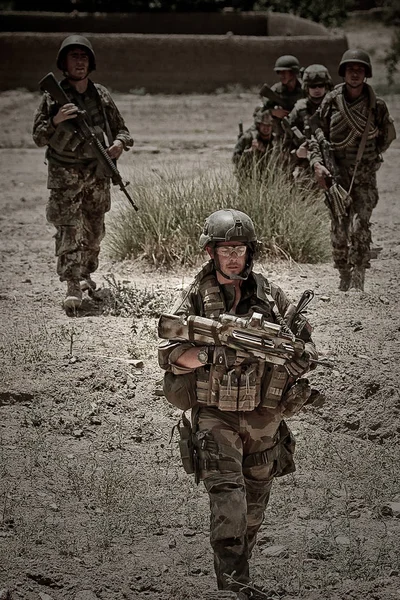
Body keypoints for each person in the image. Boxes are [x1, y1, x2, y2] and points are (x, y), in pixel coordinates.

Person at [158, 209, 318, 598]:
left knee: (253, 509)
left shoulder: (273, 298)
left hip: (264, 418)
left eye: (241, 249)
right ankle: (234, 586)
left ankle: (236, 573)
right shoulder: (196, 296)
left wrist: (299, 357)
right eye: (226, 248)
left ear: (251, 252)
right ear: (211, 252)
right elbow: (170, 353)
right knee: (229, 500)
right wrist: (215, 354)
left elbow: (307, 347)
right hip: (216, 416)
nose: (234, 256)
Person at [33, 35, 133, 310]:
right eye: (73, 56)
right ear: (64, 63)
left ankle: (86, 274)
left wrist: (118, 144)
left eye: (83, 56)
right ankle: (72, 283)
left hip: (96, 172)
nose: (79, 61)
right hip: (65, 174)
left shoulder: (100, 95)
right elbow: (39, 137)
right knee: (68, 228)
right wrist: (56, 120)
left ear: (91, 63)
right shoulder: (52, 98)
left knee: (94, 230)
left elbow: (122, 129)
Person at [309, 49, 396, 291]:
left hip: (365, 174)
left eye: (359, 70)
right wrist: (317, 164)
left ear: (366, 74)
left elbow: (386, 137)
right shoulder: (332, 100)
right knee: (339, 227)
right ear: (343, 73)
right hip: (337, 174)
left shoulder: (376, 105)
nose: (355, 74)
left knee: (360, 225)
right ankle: (343, 272)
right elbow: (317, 136)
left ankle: (359, 275)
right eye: (350, 70)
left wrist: (371, 156)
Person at [285, 64, 333, 173]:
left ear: (326, 86)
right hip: (307, 166)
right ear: (306, 87)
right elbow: (285, 147)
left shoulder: (335, 108)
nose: (317, 89)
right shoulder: (299, 110)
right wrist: (297, 153)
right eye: (313, 86)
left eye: (321, 85)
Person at [262, 55, 304, 140]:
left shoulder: (305, 89)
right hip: (282, 134)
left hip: (302, 131)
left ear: (293, 72)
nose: (281, 75)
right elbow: (258, 114)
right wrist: (273, 112)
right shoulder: (276, 90)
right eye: (279, 72)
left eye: (284, 72)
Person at [232, 108, 274, 182]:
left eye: (269, 125)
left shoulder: (275, 139)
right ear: (258, 125)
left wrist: (266, 151)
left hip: (268, 178)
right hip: (248, 177)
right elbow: (235, 159)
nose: (266, 128)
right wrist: (251, 151)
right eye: (263, 125)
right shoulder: (248, 138)